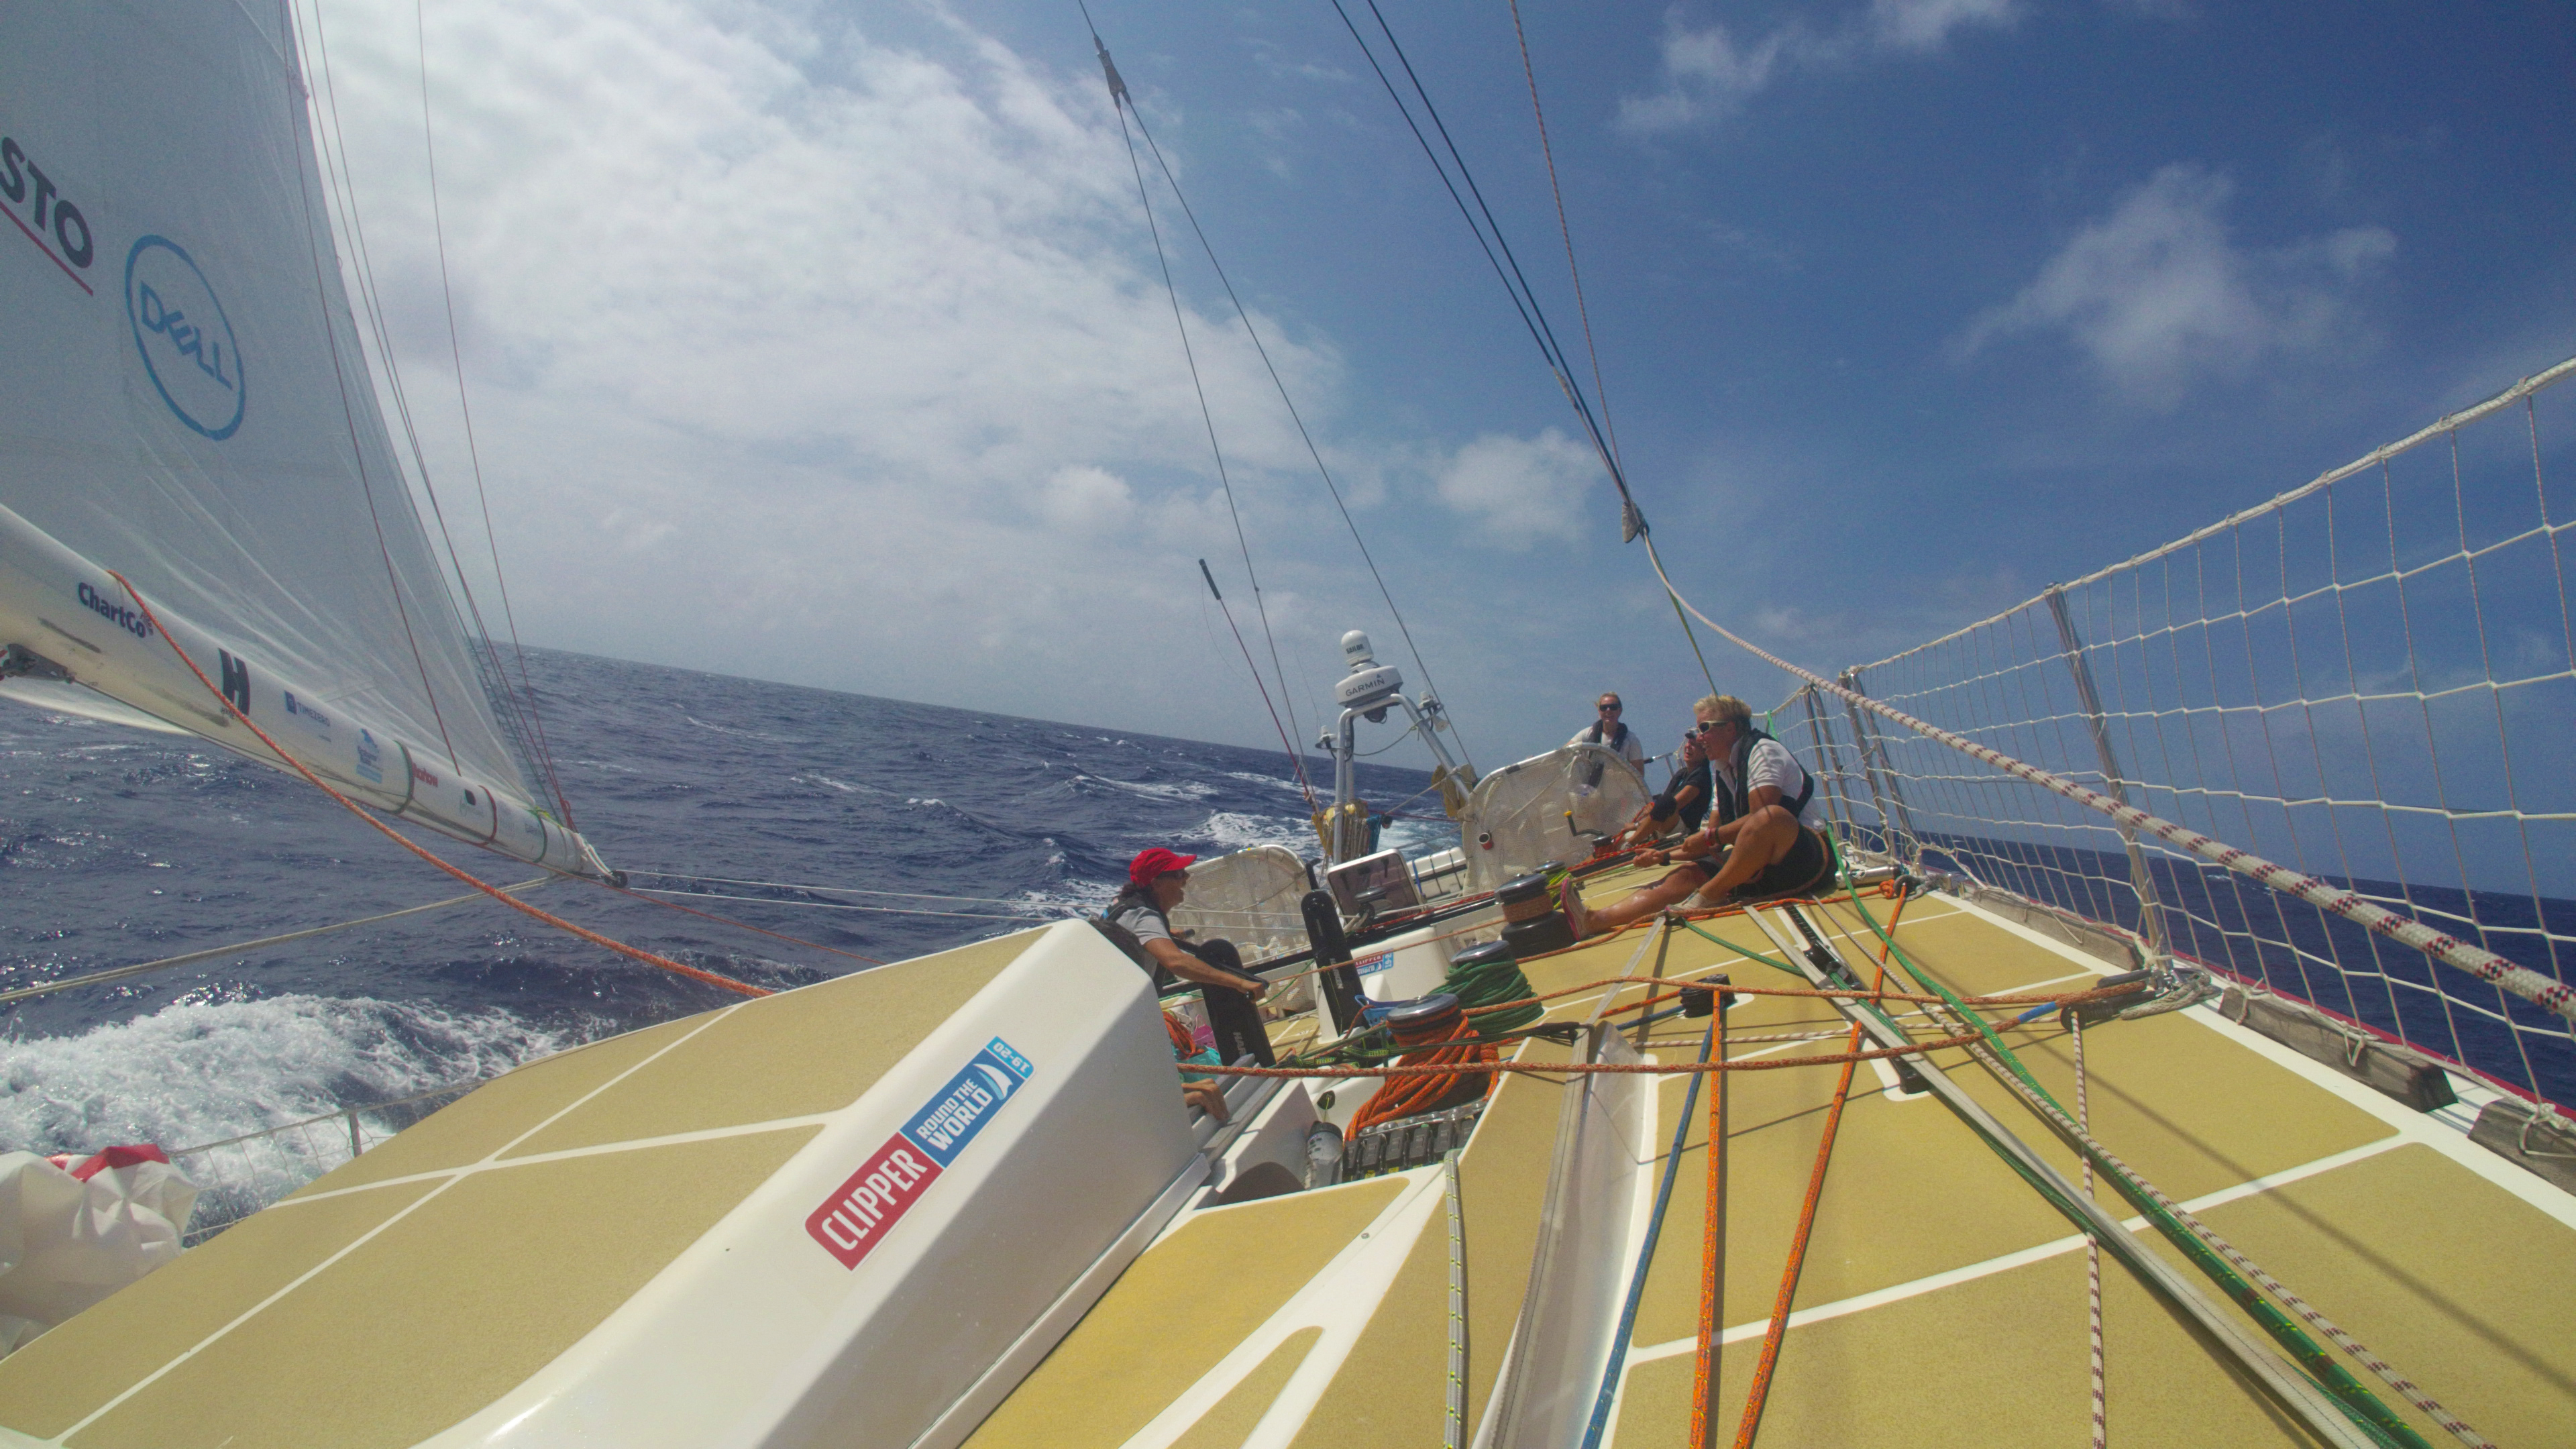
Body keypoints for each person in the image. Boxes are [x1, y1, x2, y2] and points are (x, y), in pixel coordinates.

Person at [1564, 695, 1836, 937]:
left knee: (1771, 817)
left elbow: (1760, 819)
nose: (1698, 736)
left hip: (1805, 859)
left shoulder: (1763, 753)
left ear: (1730, 728)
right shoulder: (1722, 769)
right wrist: (1665, 856)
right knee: (1686, 875)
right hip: (1760, 863)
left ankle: (1707, 897)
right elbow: (1713, 841)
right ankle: (1595, 920)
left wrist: (1711, 836)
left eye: (1704, 728)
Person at [1102, 848, 1275, 1102]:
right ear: (1157, 883)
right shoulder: (1143, 916)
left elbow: (1127, 933)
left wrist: (1165, 934)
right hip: (1119, 1018)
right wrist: (1239, 983)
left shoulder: (1123, 907)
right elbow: (1176, 962)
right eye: (1178, 874)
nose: (1186, 878)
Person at [1566, 693, 1648, 771]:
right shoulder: (1587, 734)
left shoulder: (1631, 740)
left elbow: (1639, 772)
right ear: (1599, 711)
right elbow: (1563, 754)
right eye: (1604, 708)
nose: (1608, 710)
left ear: (1620, 710)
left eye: (1613, 707)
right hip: (1589, 785)